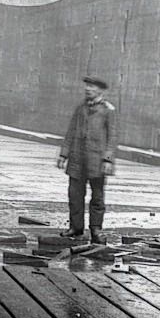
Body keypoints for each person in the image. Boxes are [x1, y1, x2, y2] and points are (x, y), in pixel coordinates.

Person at [56, 76, 116, 243]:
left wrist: (108, 160)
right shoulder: (80, 109)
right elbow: (70, 132)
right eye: (87, 86)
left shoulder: (108, 110)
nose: (87, 89)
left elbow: (112, 138)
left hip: (97, 162)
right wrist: (63, 154)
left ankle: (96, 229)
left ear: (100, 90)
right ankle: (76, 228)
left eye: (92, 86)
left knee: (97, 197)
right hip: (77, 160)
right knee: (74, 195)